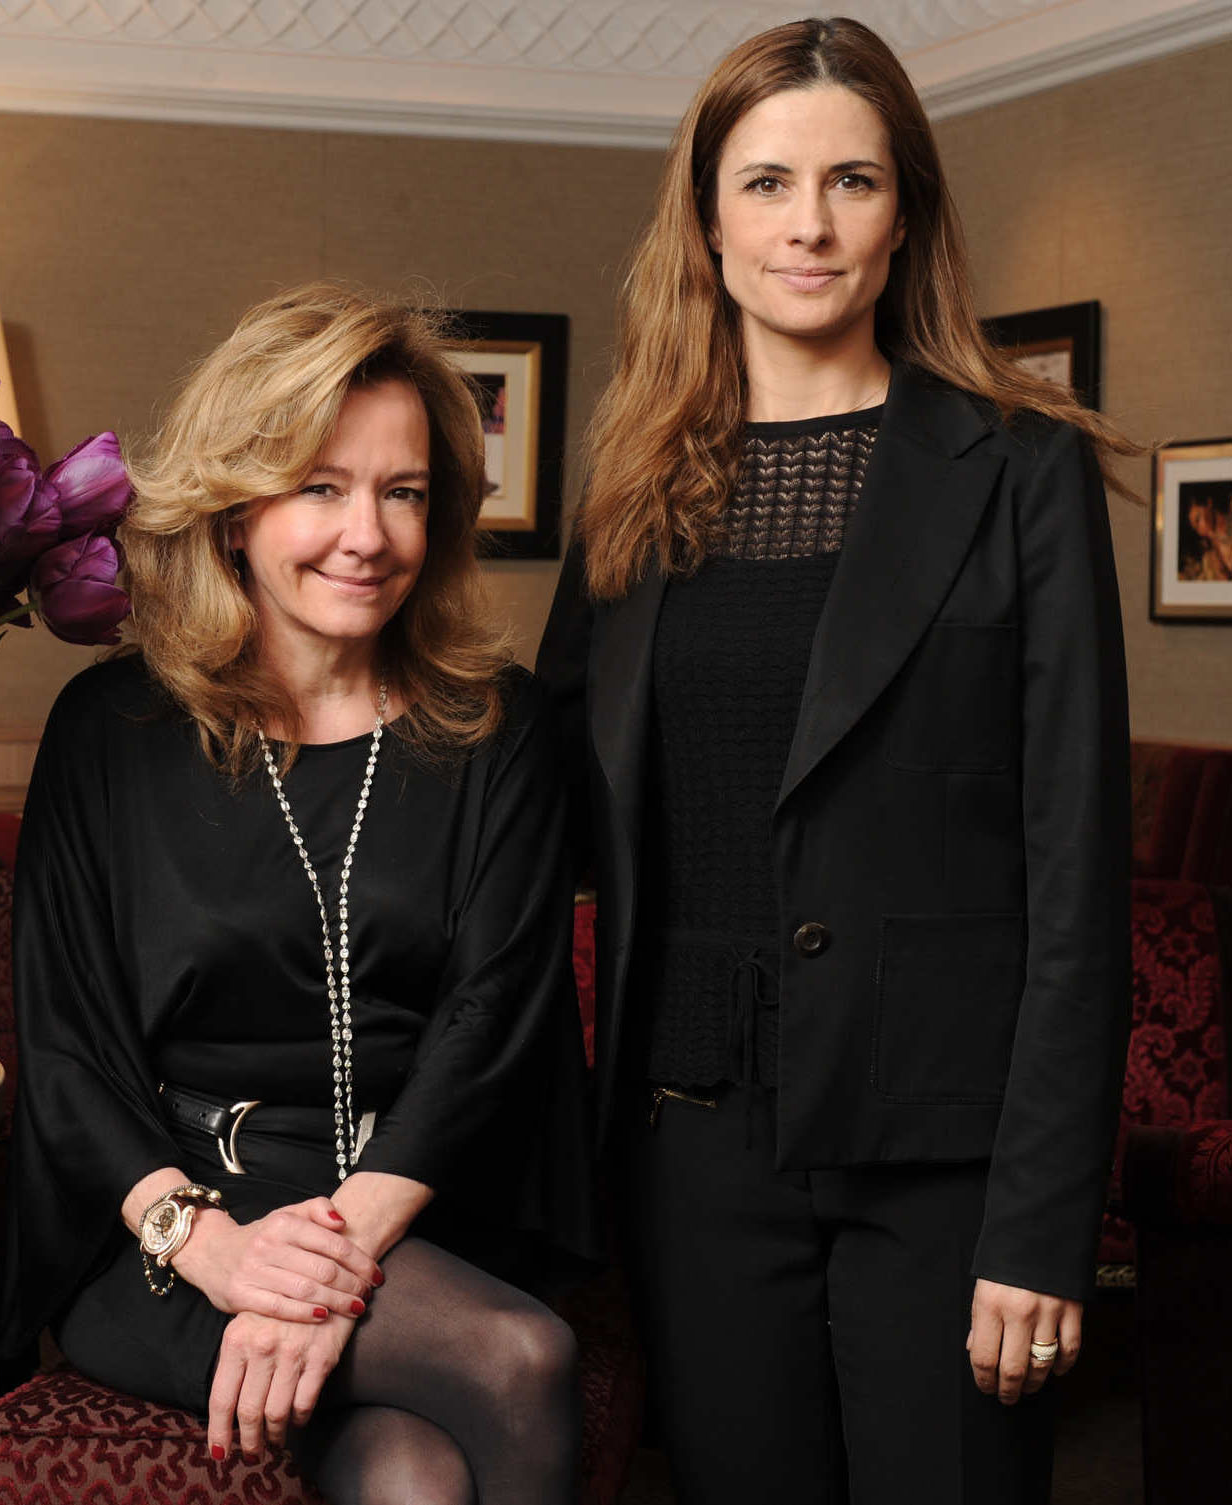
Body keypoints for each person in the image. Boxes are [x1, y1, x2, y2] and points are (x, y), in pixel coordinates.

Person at [537, 17, 1136, 1505]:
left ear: (904, 213)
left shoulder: (1019, 466)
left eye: (851, 181)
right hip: (689, 1147)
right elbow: (542, 805)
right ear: (704, 218)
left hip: (944, 1161)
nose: (807, 224)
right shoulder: (631, 485)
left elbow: (1077, 878)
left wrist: (1040, 1221)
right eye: (765, 183)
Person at [2, 284, 592, 1505]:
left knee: (416, 1472)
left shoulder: (501, 726)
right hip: (169, 1220)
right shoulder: (109, 729)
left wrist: (333, 1253)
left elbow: (494, 1015)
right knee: (516, 1355)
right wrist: (217, 1250)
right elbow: (66, 1048)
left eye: (403, 491)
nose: (365, 534)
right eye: (319, 486)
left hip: (418, 1205)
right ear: (234, 512)